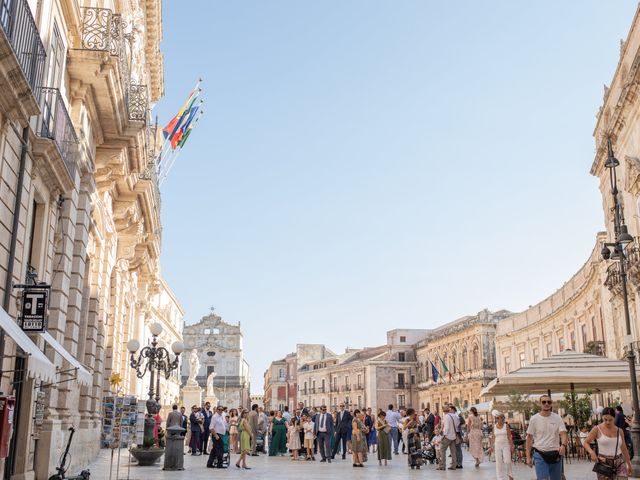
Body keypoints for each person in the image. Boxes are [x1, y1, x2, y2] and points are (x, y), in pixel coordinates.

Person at [525, 394, 568, 480]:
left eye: (549, 402)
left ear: (551, 404)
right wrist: (528, 457)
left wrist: (563, 445)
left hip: (555, 453)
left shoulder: (557, 418)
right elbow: (529, 438)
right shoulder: (534, 419)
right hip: (540, 453)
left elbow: (563, 433)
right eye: (544, 402)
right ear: (540, 404)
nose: (546, 404)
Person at [583, 406, 632, 479]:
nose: (608, 422)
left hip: (619, 462)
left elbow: (624, 448)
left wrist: (629, 464)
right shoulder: (597, 429)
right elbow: (585, 442)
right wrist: (592, 452)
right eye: (605, 419)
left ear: (614, 418)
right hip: (603, 464)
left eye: (610, 420)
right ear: (602, 417)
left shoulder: (620, 431)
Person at [488, 412, 513, 480]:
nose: (496, 419)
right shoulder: (494, 426)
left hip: (506, 444)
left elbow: (509, 437)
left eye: (498, 418)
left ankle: (510, 475)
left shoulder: (506, 426)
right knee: (498, 462)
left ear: (502, 419)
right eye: (496, 418)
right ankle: (500, 478)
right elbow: (493, 437)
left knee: (507, 460)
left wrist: (511, 446)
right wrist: (491, 446)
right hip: (497, 445)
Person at [437, 405, 459, 470]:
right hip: (454, 436)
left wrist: (444, 435)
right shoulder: (454, 416)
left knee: (442, 450)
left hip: (447, 436)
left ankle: (442, 466)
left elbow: (446, 427)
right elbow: (458, 424)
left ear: (443, 411)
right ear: (449, 410)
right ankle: (454, 465)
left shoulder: (446, 417)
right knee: (453, 451)